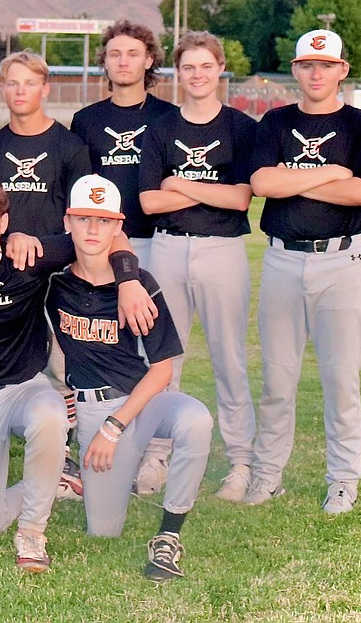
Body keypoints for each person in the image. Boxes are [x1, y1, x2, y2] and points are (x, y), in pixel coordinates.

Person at [0, 176, 152, 572]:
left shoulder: (29, 256)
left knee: (50, 415)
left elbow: (112, 235)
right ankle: (48, 484)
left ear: (4, 220)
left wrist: (129, 280)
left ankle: (32, 529)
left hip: (24, 389)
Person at [244, 29, 361, 514]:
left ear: (342, 69)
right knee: (277, 380)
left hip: (341, 262)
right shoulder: (276, 120)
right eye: (307, 64)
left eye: (326, 65)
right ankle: (267, 475)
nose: (317, 72)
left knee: (340, 378)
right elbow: (263, 182)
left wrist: (295, 180)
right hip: (283, 259)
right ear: (296, 69)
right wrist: (332, 173)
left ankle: (343, 480)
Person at [48, 174, 212, 582]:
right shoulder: (54, 281)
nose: (92, 229)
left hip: (141, 402)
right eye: (83, 218)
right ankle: (73, 475)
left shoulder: (140, 285)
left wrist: (115, 425)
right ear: (67, 221)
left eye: (103, 221)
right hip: (91, 405)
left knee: (196, 420)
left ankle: (169, 536)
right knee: (103, 530)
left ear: (119, 227)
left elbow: (163, 370)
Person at [138, 31, 257, 501]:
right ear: (177, 72)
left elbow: (240, 197)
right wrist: (204, 190)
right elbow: (149, 201)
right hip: (168, 246)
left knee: (230, 358)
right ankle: (155, 456)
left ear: (220, 68)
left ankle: (241, 462)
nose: (198, 75)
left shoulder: (241, 128)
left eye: (206, 66)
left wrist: (181, 183)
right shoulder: (162, 128)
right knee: (164, 358)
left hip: (222, 249)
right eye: (188, 67)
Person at [0, 50, 92, 502]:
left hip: (55, 271)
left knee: (62, 367)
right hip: (3, 275)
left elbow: (81, 215)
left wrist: (46, 248)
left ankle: (64, 460)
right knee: (10, 365)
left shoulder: (69, 146)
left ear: (45, 89)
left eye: (29, 83)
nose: (20, 91)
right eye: (11, 83)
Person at [70, 19, 178, 496]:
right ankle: (86, 444)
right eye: (114, 54)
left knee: (156, 352)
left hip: (157, 241)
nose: (123, 62)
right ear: (105, 62)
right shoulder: (87, 121)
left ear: (149, 60)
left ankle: (155, 456)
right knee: (94, 346)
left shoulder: (167, 116)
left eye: (132, 53)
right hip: (101, 244)